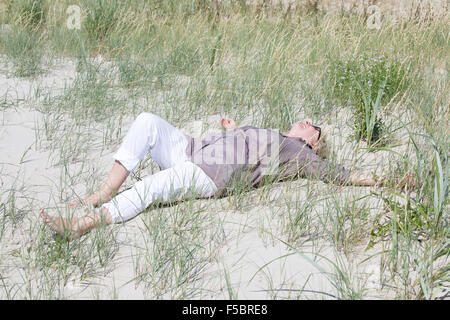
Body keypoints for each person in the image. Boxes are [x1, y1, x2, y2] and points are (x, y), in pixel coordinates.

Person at [40, 112, 414, 240]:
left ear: (313, 142)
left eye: (311, 126)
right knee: (147, 122)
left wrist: (390, 180)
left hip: (209, 173)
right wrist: (235, 126)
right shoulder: (276, 136)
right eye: (305, 120)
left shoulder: (299, 155)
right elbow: (244, 142)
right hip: (191, 149)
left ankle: (84, 224)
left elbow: (343, 175)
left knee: (151, 187)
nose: (305, 121)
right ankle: (104, 192)